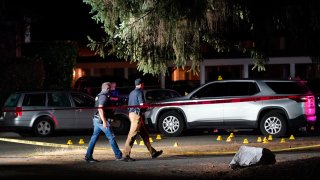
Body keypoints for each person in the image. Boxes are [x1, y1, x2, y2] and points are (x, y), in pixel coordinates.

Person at [123, 78, 163, 161]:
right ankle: (125, 155)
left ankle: (153, 152)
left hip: (132, 114)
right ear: (141, 84)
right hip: (136, 115)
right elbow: (141, 105)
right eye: (143, 84)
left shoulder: (132, 92)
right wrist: (148, 106)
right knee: (132, 135)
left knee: (144, 135)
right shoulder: (139, 92)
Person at [85, 82, 124, 162]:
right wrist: (104, 121)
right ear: (107, 88)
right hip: (101, 120)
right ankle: (118, 156)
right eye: (110, 88)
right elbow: (100, 109)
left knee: (94, 138)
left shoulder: (99, 95)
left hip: (96, 119)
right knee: (111, 137)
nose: (112, 90)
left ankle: (88, 156)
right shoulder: (103, 96)